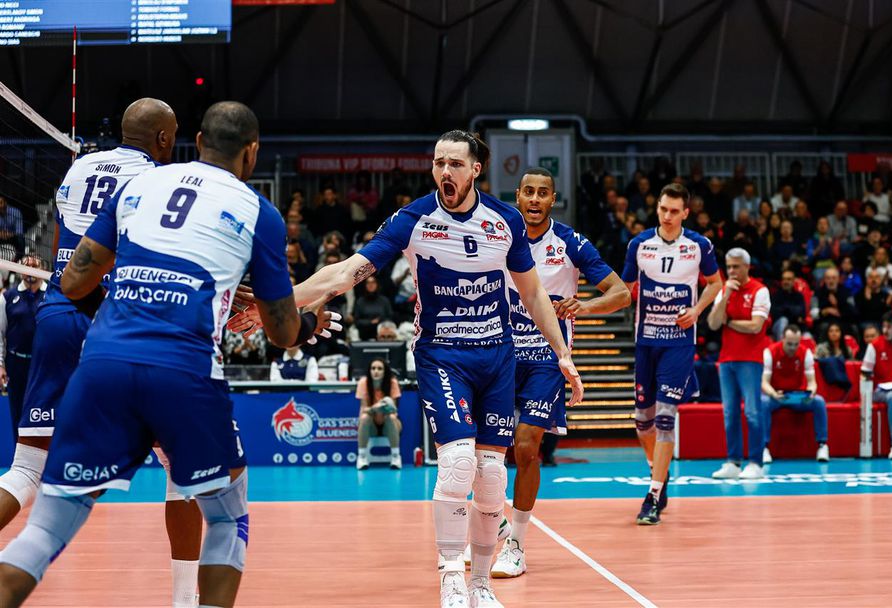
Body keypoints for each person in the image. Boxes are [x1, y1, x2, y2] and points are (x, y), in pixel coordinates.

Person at [229, 129, 584, 608]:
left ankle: (481, 585)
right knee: (457, 464)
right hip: (443, 355)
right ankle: (451, 577)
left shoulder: (505, 221)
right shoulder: (415, 219)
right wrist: (279, 304)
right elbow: (344, 273)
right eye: (438, 163)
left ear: (476, 169)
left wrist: (562, 354)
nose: (444, 172)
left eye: (455, 164)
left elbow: (534, 292)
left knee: (491, 477)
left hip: (497, 357)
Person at [0, 101, 335, 607]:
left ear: (196, 143)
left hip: (104, 362)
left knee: (45, 527)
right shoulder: (259, 211)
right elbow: (283, 330)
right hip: (183, 370)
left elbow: (71, 282)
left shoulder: (138, 187)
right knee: (225, 516)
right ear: (252, 153)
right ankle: (186, 600)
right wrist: (310, 323)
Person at [0, 98, 207, 608]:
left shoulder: (79, 168)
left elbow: (68, 249)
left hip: (58, 314)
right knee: (182, 470)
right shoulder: (160, 180)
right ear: (164, 138)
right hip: (121, 322)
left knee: (26, 469)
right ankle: (185, 601)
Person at [488, 167, 629, 572]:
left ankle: (516, 544)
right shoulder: (497, 237)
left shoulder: (570, 242)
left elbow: (620, 293)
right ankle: (491, 526)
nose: (535, 199)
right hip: (498, 354)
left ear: (553, 199)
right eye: (528, 192)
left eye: (542, 193)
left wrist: (585, 305)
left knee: (526, 446)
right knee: (485, 453)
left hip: (546, 359)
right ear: (518, 196)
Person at [622, 183, 722, 524]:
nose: (667, 216)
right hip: (646, 341)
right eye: (663, 209)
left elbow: (715, 283)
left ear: (685, 213)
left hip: (679, 343)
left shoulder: (698, 245)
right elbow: (626, 289)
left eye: (674, 211)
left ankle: (652, 496)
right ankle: (659, 473)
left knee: (665, 417)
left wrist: (697, 311)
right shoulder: (639, 244)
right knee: (643, 421)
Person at [707, 248, 771, 480]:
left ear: (746, 267)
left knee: (752, 412)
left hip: (750, 360)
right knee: (730, 413)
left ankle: (755, 463)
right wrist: (725, 297)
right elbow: (713, 323)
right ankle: (733, 462)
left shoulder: (760, 290)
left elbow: (755, 326)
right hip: (727, 360)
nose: (732, 271)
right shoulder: (724, 289)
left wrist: (730, 321)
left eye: (736, 266)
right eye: (729, 267)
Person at [761, 325, 830, 464]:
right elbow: (764, 383)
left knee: (819, 401)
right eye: (789, 344)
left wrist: (810, 393)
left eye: (796, 344)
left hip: (796, 397)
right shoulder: (770, 352)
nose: (793, 348)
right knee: (763, 403)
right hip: (776, 396)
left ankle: (822, 446)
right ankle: (764, 448)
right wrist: (774, 394)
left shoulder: (806, 353)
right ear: (782, 339)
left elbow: (812, 382)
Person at [0, 256, 47, 442]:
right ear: (20, 271)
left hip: (42, 364)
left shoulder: (51, 295)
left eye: (35, 266)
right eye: (27, 267)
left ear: (42, 270)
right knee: (18, 414)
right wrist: (0, 365)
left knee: (43, 413)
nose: (30, 270)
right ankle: (18, 456)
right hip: (16, 364)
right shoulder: (7, 297)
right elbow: (0, 333)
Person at [860, 312, 892, 459]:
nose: (885, 330)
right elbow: (864, 373)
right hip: (881, 391)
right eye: (884, 326)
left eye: (889, 327)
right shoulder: (874, 346)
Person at [355, 357, 402, 470]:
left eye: (380, 369)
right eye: (373, 368)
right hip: (371, 425)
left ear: (385, 371)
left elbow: (394, 411)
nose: (376, 371)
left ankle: (396, 457)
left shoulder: (392, 382)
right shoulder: (363, 383)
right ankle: (362, 457)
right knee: (364, 418)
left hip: (389, 424)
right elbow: (363, 410)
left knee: (391, 417)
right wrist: (376, 408)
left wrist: (385, 407)